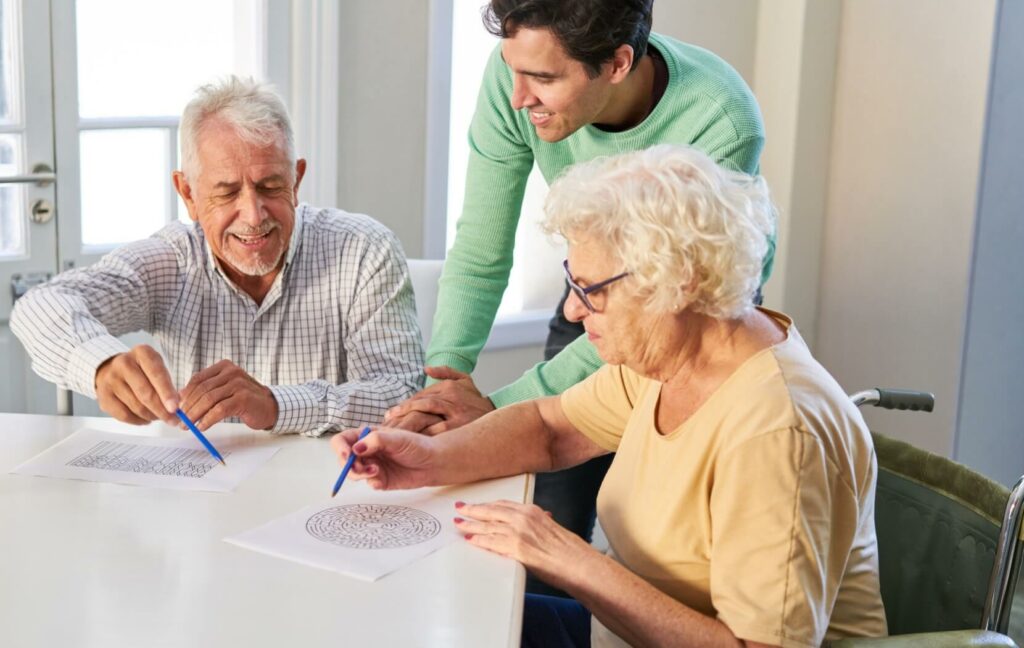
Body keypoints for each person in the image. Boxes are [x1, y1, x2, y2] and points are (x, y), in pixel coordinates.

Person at [335, 146, 886, 647]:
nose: (573, 312)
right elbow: (552, 430)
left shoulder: (775, 430)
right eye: (571, 285)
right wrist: (428, 461)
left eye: (590, 291)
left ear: (681, 281)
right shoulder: (672, 354)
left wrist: (569, 560)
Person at [387, 0, 772, 557]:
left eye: (543, 79)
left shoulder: (719, 117)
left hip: (693, 315)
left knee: (660, 534)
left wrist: (497, 410)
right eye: (511, 68)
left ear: (617, 63)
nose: (518, 97)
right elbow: (480, 247)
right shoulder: (515, 78)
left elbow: (661, 308)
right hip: (595, 290)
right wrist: (445, 386)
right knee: (551, 511)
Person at [11, 76, 423, 437]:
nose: (253, 216)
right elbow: (38, 306)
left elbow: (403, 394)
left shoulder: (365, 249)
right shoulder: (173, 259)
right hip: (200, 504)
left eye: (270, 186)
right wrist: (101, 365)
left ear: (296, 180)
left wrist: (275, 405)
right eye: (226, 192)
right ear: (187, 193)